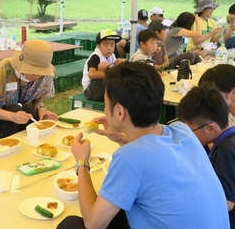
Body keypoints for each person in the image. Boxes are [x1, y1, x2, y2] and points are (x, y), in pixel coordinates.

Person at [56, 61, 230, 229]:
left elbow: (93, 223)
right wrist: (121, 139)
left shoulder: (129, 159)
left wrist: (81, 162)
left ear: (119, 111)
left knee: (70, 224)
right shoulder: (182, 131)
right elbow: (154, 158)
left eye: (105, 103)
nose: (104, 109)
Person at [177, 85, 235, 227]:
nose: (189, 135)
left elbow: (227, 203)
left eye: (191, 130)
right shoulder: (229, 139)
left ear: (211, 128)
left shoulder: (224, 150)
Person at [0, 39, 59, 140]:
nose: (37, 75)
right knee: (14, 109)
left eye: (41, 71)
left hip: (23, 117)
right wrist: (12, 116)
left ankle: (27, 144)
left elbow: (38, 100)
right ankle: (8, 144)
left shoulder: (45, 76)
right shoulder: (4, 69)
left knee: (31, 111)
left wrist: (41, 109)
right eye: (32, 70)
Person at [82, 29, 123, 101]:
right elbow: (91, 74)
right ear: (98, 46)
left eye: (112, 45)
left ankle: (115, 92)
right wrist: (112, 73)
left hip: (104, 87)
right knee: (103, 66)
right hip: (92, 91)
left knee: (120, 62)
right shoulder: (95, 56)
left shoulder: (112, 55)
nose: (109, 48)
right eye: (105, 45)